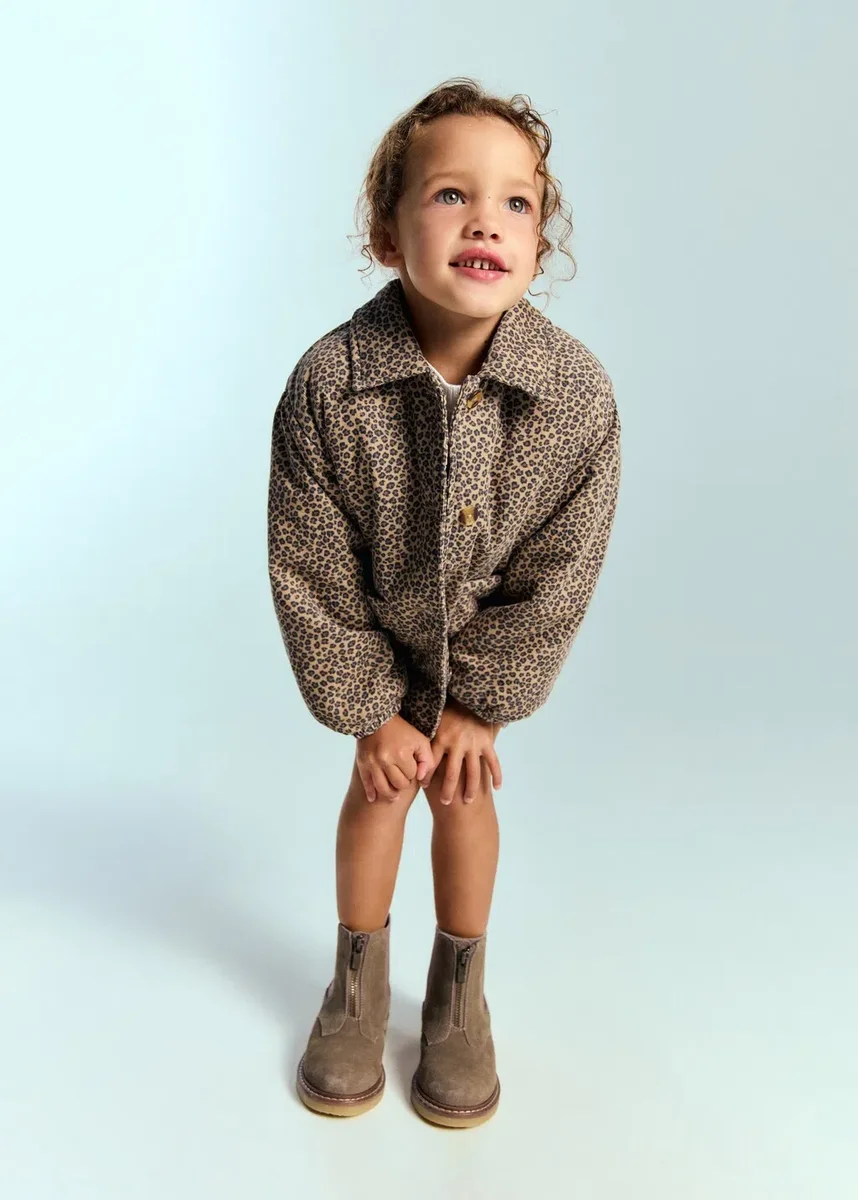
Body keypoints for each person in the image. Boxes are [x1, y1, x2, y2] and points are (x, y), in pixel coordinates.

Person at [267, 77, 622, 1129]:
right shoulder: (330, 385)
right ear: (388, 234)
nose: (485, 221)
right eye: (451, 195)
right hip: (374, 641)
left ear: (539, 243)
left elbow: (562, 567)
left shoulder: (575, 398)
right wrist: (369, 710)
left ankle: (460, 999)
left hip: (483, 653)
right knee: (379, 790)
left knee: (462, 792)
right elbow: (309, 562)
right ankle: (355, 986)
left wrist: (483, 704)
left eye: (517, 202)